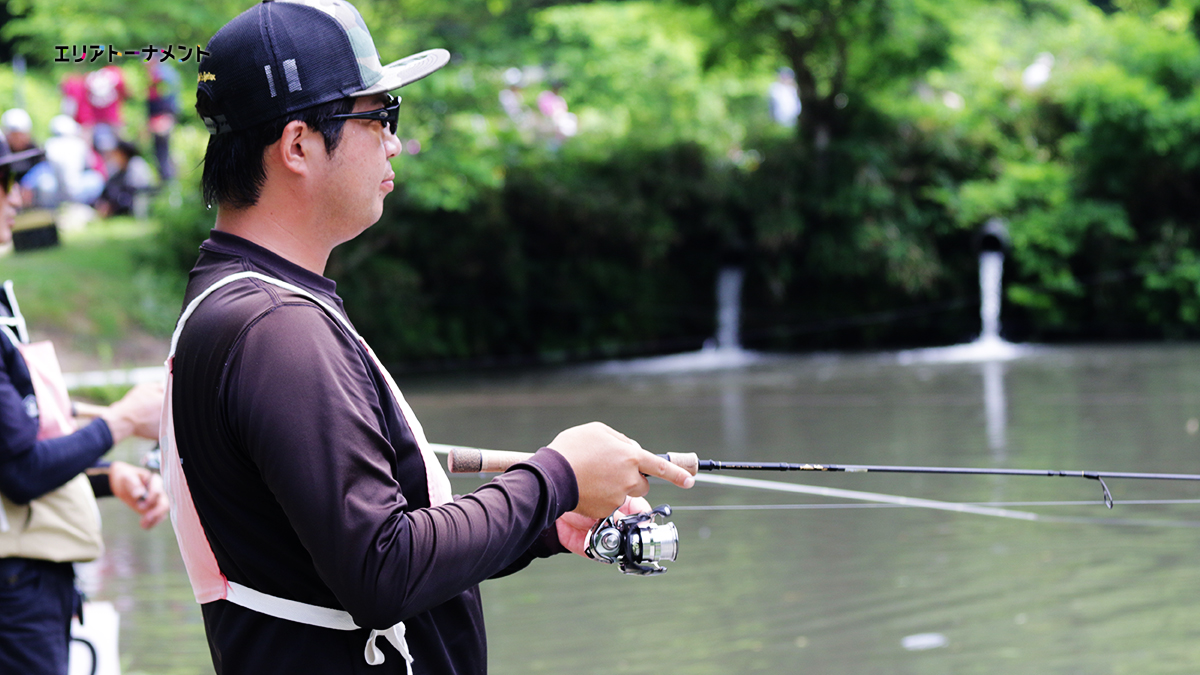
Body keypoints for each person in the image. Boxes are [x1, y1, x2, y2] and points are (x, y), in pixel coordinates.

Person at [166, 2, 694, 674]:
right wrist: (555, 476)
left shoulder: (241, 301)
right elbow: (381, 567)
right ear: (298, 145)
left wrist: (542, 520)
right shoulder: (276, 327)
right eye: (379, 116)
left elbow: (355, 544)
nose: (392, 142)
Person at [0, 135, 169, 675]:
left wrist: (106, 475)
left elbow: (17, 451)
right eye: (3, 185)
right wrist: (120, 420)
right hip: (16, 595)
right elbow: (21, 472)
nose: (16, 199)